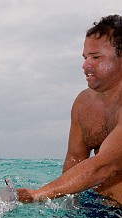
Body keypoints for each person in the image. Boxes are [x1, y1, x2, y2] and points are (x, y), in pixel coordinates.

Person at [17, 14, 122, 207]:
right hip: (96, 207)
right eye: (85, 57)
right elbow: (74, 159)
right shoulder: (84, 103)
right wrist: (68, 212)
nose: (85, 65)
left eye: (96, 57)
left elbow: (106, 165)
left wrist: (38, 194)